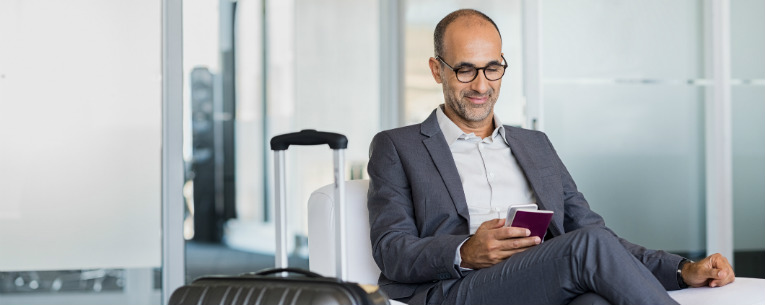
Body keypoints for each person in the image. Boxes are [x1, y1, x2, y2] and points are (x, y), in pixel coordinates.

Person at [366, 8, 735, 305]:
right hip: (460, 289)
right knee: (585, 247)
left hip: (543, 279)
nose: (481, 85)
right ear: (437, 70)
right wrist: (465, 250)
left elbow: (593, 233)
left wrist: (683, 269)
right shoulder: (398, 146)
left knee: (594, 298)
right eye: (465, 70)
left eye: (492, 68)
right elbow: (391, 250)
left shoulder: (534, 144)